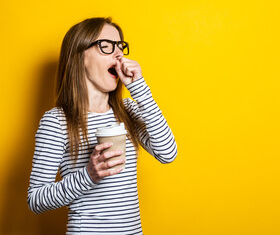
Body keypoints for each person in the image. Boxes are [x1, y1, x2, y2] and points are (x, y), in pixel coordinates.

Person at [27, 17, 177, 234]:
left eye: (120, 47)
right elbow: (36, 200)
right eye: (106, 46)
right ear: (79, 56)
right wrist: (88, 175)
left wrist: (140, 88)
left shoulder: (127, 111)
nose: (119, 54)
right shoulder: (57, 121)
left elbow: (168, 153)